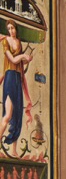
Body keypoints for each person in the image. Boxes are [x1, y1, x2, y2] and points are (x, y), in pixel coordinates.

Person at [0, 20, 32, 149]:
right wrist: (23, 55)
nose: (11, 31)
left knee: (18, 115)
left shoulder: (19, 42)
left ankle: (14, 150)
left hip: (18, 78)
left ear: (16, 29)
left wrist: (27, 59)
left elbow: (19, 63)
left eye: (12, 28)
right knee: (8, 115)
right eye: (8, 28)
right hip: (10, 78)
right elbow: (13, 60)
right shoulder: (5, 41)